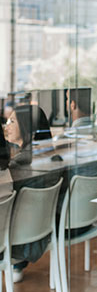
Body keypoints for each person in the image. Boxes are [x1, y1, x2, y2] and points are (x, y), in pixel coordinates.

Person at [4, 104, 57, 282]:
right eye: (6, 121)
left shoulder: (17, 166)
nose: (6, 126)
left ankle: (15, 264)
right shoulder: (54, 158)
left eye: (12, 121)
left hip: (18, 243)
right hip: (42, 234)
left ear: (28, 128)